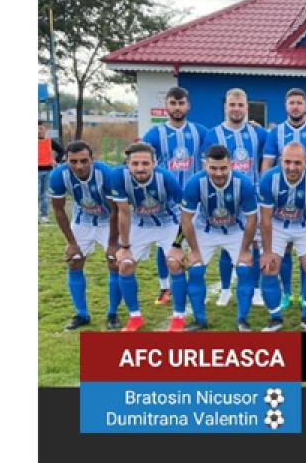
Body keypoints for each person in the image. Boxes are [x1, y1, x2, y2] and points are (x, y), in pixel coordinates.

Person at [261, 87, 306, 311]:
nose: (295, 106)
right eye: (291, 102)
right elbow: (267, 163)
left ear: (305, 106)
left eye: (299, 103)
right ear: (286, 106)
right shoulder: (275, 132)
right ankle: (287, 293)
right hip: (281, 199)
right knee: (282, 251)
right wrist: (267, 189)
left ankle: (304, 294)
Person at [105, 143, 184, 332]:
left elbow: (186, 213)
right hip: (140, 224)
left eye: (145, 163)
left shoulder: (166, 177)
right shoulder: (117, 176)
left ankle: (179, 317)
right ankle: (135, 317)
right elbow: (123, 212)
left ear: (154, 163)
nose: (140, 168)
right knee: (124, 265)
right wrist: (124, 246)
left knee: (174, 263)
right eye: (135, 163)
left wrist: (177, 244)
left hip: (169, 223)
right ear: (127, 164)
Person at [179, 145, 259, 331]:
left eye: (223, 168)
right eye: (213, 168)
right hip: (206, 230)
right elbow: (186, 219)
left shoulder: (243, 184)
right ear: (205, 165)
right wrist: (194, 251)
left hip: (235, 230)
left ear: (231, 165)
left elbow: (251, 220)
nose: (218, 173)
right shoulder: (194, 183)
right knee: (195, 270)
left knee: (245, 270)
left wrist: (245, 251)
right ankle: (199, 320)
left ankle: (242, 320)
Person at [201, 88, 269, 308]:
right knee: (225, 243)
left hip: (251, 197)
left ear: (247, 108)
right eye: (232, 105)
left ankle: (256, 290)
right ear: (225, 107)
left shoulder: (258, 133)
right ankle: (224, 290)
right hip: (224, 198)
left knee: (255, 244)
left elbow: (268, 160)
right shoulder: (213, 134)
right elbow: (207, 167)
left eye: (240, 105)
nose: (236, 109)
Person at [140, 86, 208, 306]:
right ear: (166, 106)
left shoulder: (200, 131)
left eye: (181, 103)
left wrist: (252, 126)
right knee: (166, 246)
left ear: (188, 105)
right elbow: (139, 159)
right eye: (173, 103)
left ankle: (199, 285)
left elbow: (220, 145)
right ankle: (165, 287)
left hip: (194, 200)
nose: (177, 107)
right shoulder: (154, 134)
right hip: (165, 202)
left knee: (198, 244)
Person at [48, 140, 121, 331]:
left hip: (108, 221)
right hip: (83, 220)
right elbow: (58, 210)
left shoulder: (107, 174)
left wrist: (113, 243)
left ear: (92, 159)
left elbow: (116, 211)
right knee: (74, 261)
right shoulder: (58, 175)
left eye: (83, 161)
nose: (79, 166)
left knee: (115, 262)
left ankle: (112, 313)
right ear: (66, 161)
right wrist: (71, 243)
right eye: (73, 161)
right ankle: (81, 314)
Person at [259, 143, 306, 332]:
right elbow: (265, 219)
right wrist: (267, 252)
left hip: (305, 226)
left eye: (297, 163)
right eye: (287, 162)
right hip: (277, 225)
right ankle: (275, 319)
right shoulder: (269, 178)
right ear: (281, 160)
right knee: (269, 267)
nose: (292, 167)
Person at [38, 120, 65, 223]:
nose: (39, 131)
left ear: (45, 129)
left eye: (41, 128)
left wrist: (56, 161)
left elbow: (61, 151)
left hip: (48, 171)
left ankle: (44, 215)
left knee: (45, 194)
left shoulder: (50, 141)